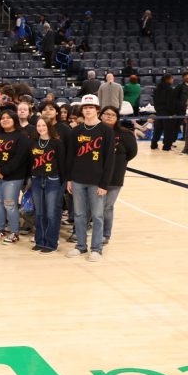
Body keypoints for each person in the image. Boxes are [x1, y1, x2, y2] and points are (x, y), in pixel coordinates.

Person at [65, 95, 115, 261]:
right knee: (79, 215)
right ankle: (80, 246)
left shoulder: (106, 131)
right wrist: (70, 179)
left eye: (91, 107)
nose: (87, 110)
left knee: (98, 215)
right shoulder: (76, 131)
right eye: (85, 107)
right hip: (78, 180)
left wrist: (104, 184)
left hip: (97, 182)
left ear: (97, 110)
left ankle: (96, 249)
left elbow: (109, 160)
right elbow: (70, 157)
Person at [0, 110, 30, 245]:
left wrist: (3, 171)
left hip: (13, 177)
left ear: (14, 119)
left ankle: (14, 232)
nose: (5, 120)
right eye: (2, 118)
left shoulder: (21, 136)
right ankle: (1, 229)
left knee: (9, 204)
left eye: (8, 118)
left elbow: (19, 159)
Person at [100, 106, 137, 246]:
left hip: (115, 177)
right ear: (101, 115)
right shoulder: (96, 131)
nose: (109, 117)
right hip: (96, 176)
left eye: (112, 115)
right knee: (94, 206)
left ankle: (105, 234)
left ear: (117, 118)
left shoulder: (125, 134)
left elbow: (132, 153)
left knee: (107, 206)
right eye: (106, 114)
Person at [29, 117, 65, 254]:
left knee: (51, 213)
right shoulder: (33, 142)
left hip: (53, 180)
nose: (41, 128)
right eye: (39, 125)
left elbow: (62, 163)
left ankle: (51, 243)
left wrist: (63, 182)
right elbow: (29, 162)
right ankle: (40, 241)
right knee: (39, 213)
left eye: (44, 125)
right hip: (37, 179)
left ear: (49, 126)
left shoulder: (57, 143)